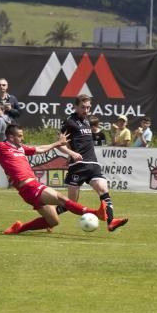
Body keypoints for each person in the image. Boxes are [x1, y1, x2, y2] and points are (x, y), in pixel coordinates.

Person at [0, 124, 108, 235]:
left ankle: (19, 228)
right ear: (11, 137)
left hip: (29, 189)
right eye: (20, 136)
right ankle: (95, 213)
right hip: (29, 186)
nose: (22, 138)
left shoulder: (21, 148)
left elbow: (39, 149)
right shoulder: (1, 147)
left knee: (53, 221)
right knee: (62, 198)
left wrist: (56, 144)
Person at [57, 94, 129, 232]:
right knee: (71, 203)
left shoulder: (87, 121)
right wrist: (71, 154)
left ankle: (111, 221)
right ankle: (50, 217)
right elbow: (59, 144)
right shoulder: (69, 122)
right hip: (78, 167)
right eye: (83, 107)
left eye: (88, 107)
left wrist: (72, 150)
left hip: (93, 164)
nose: (86, 110)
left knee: (103, 189)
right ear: (75, 106)